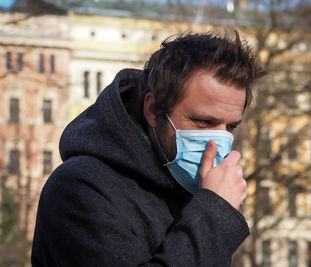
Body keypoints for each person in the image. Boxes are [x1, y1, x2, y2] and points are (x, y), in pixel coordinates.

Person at [31, 32, 264, 266]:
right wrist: (214, 211)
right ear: (153, 110)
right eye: (203, 122)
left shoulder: (193, 190)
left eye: (230, 127)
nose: (218, 142)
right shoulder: (79, 187)